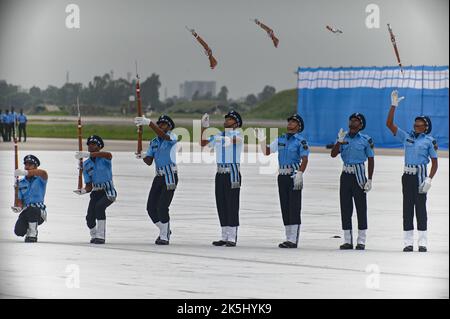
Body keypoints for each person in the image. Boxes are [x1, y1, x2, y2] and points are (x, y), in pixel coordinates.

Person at [386, 90, 438, 252]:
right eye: (414, 124)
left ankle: (422, 243)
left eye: (418, 125)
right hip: (407, 177)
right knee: (407, 208)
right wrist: (393, 106)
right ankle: (408, 242)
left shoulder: (429, 142)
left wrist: (429, 179)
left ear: (425, 127)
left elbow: (435, 163)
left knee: (420, 209)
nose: (415, 126)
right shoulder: (406, 137)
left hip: (421, 177)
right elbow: (389, 124)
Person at [255, 114, 310, 248]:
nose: (290, 124)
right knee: (285, 206)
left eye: (293, 122)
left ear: (298, 126)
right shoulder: (281, 139)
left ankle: (293, 239)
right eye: (289, 121)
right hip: (282, 175)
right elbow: (267, 152)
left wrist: (300, 173)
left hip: (294, 175)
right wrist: (262, 140)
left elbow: (305, 159)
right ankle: (288, 237)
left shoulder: (301, 141)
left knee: (294, 206)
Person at [331, 113, 374, 250]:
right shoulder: (343, 137)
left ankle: (361, 240)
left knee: (361, 208)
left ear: (361, 125)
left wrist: (370, 179)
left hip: (359, 175)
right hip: (345, 175)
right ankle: (347, 240)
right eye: (351, 121)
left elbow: (371, 159)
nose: (352, 124)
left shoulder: (366, 140)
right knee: (345, 207)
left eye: (356, 121)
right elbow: (333, 154)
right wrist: (338, 141)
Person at [200, 110, 243, 247]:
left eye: (230, 119)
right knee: (222, 203)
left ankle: (232, 237)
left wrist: (223, 139)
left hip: (232, 172)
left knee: (232, 204)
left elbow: (235, 140)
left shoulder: (238, 133)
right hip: (220, 173)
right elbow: (203, 143)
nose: (226, 121)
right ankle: (224, 235)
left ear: (236, 123)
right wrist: (204, 127)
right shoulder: (219, 135)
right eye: (226, 119)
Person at [134, 114, 178, 245]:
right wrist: (142, 155)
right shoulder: (153, 142)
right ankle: (165, 229)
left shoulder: (172, 136)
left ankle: (164, 236)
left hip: (170, 175)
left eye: (163, 124)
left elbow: (164, 136)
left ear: (169, 126)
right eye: (159, 124)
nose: (160, 126)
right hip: (158, 176)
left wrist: (149, 123)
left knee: (163, 206)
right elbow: (149, 161)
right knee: (150, 207)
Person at [74, 135, 117, 244]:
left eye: (94, 144)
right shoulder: (86, 164)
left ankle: (101, 236)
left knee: (99, 207)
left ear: (99, 146)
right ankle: (94, 235)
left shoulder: (105, 158)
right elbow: (89, 186)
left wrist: (90, 154)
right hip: (95, 192)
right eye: (89, 144)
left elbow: (109, 154)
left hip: (108, 191)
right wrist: (83, 191)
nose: (91, 146)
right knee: (89, 218)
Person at [12, 155, 48, 242]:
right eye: (26, 164)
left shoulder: (41, 178)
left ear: (36, 167)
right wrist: (18, 207)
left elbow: (43, 172)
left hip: (39, 212)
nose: (27, 167)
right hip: (27, 211)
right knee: (18, 231)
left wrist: (26, 173)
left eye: (30, 164)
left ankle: (33, 233)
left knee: (33, 209)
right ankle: (29, 227)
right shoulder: (20, 183)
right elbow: (20, 201)